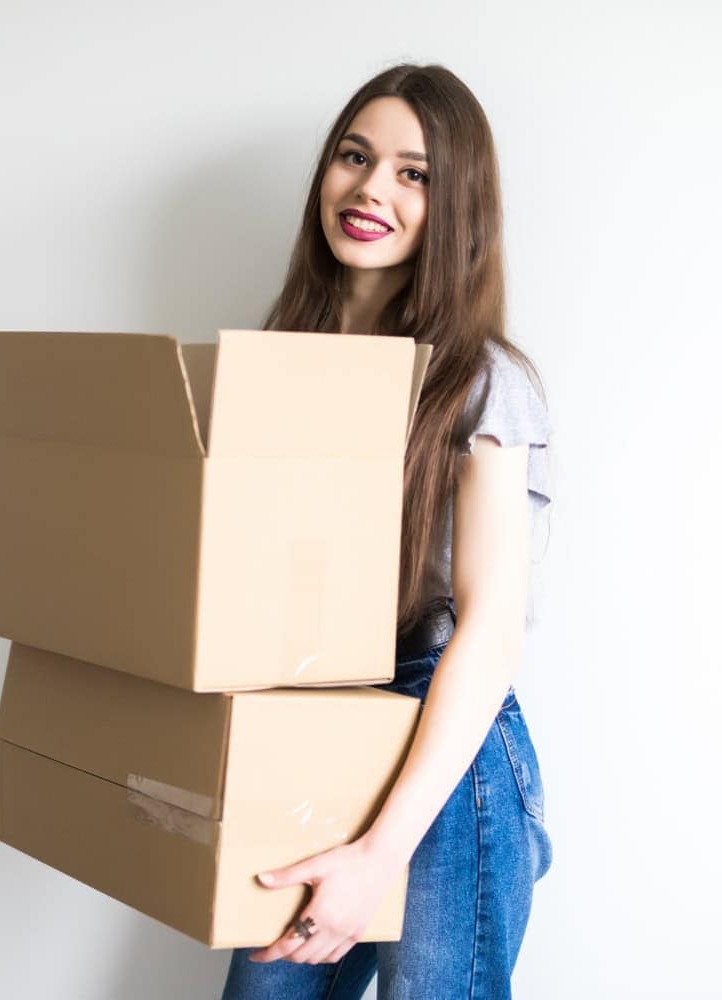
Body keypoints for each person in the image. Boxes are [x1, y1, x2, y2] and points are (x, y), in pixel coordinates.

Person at [219, 64, 555, 999]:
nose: (371, 189)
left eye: (416, 173)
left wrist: (380, 851)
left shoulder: (484, 380)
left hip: (447, 759)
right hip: (321, 728)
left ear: (459, 209)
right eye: (354, 157)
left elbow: (491, 631)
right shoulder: (282, 362)